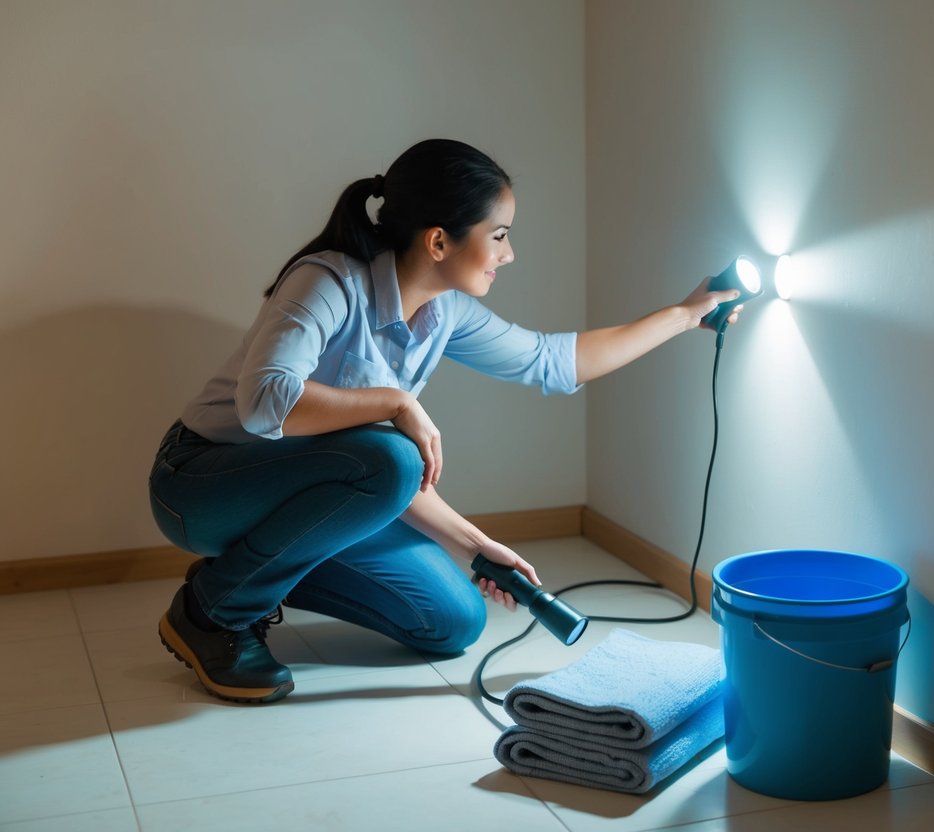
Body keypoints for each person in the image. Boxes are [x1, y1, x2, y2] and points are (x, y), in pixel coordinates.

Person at [148, 138, 744, 704]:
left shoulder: (447, 311)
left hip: (306, 498)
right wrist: (395, 402)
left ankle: (249, 570)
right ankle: (210, 611)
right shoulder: (327, 279)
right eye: (500, 235)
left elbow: (553, 362)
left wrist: (686, 314)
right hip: (200, 483)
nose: (509, 254)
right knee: (394, 453)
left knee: (452, 620)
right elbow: (264, 405)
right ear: (439, 241)